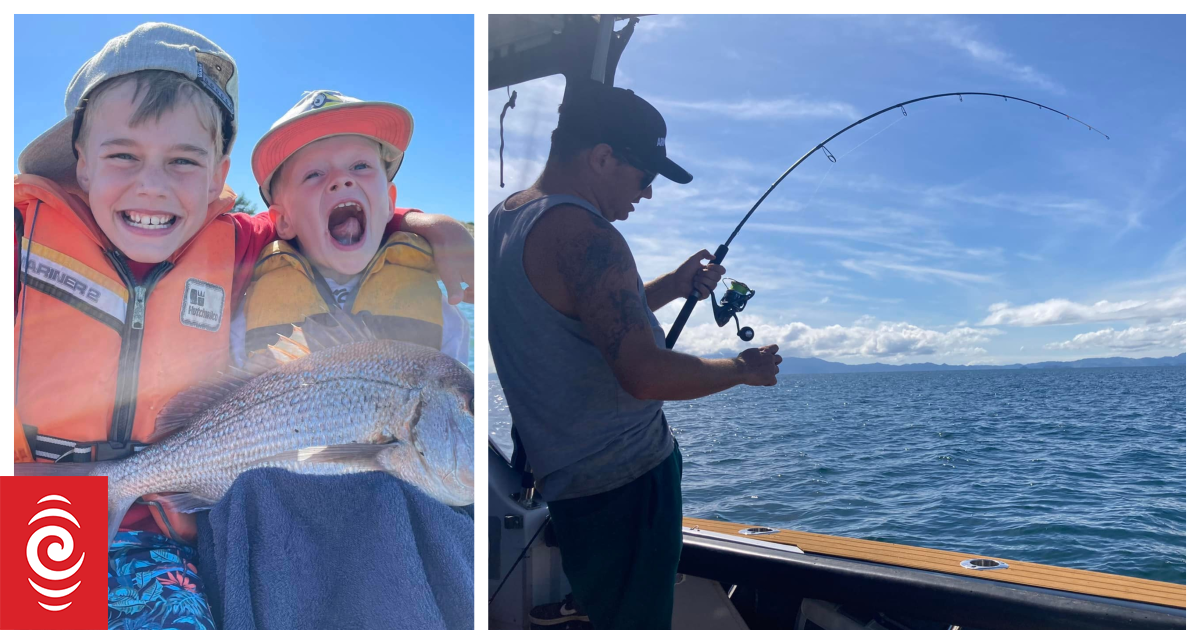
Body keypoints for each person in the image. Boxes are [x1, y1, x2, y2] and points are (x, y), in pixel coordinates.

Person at [14, 22, 471, 628]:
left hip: (162, 527)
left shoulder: (238, 245)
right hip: (34, 506)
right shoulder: (21, 240)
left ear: (215, 177)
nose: (151, 184)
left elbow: (322, 217)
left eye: (183, 160)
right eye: (123, 154)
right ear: (82, 165)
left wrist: (438, 227)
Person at [489, 80, 783, 630]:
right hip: (627, 488)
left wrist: (672, 285)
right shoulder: (587, 233)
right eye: (645, 177)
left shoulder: (505, 220)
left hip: (573, 490)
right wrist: (742, 372)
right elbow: (644, 374)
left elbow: (582, 318)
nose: (646, 194)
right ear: (602, 157)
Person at [233, 90, 470, 366]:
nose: (342, 179)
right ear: (284, 221)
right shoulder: (245, 313)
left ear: (388, 203)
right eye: (314, 174)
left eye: (360, 165)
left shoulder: (444, 313)